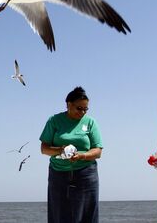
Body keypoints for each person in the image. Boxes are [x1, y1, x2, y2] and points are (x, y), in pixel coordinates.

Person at [40, 86, 103, 223]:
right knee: (59, 216)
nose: (82, 112)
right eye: (79, 108)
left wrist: (82, 156)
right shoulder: (54, 121)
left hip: (86, 175)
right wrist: (60, 150)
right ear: (69, 104)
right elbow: (44, 149)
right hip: (58, 175)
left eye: (85, 109)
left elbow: (97, 151)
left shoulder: (90, 122)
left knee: (88, 216)